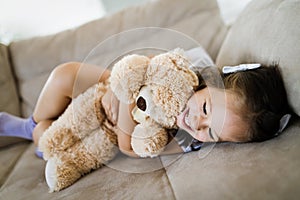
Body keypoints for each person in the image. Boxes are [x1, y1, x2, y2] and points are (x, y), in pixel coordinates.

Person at [0, 47, 292, 158]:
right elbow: (140, 67)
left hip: (114, 131)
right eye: (206, 109)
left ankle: (35, 132)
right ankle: (32, 122)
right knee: (65, 74)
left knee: (46, 140)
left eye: (211, 132)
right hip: (111, 92)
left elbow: (130, 147)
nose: (196, 124)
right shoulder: (192, 66)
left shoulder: (190, 141)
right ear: (212, 80)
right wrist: (118, 90)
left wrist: (126, 100)